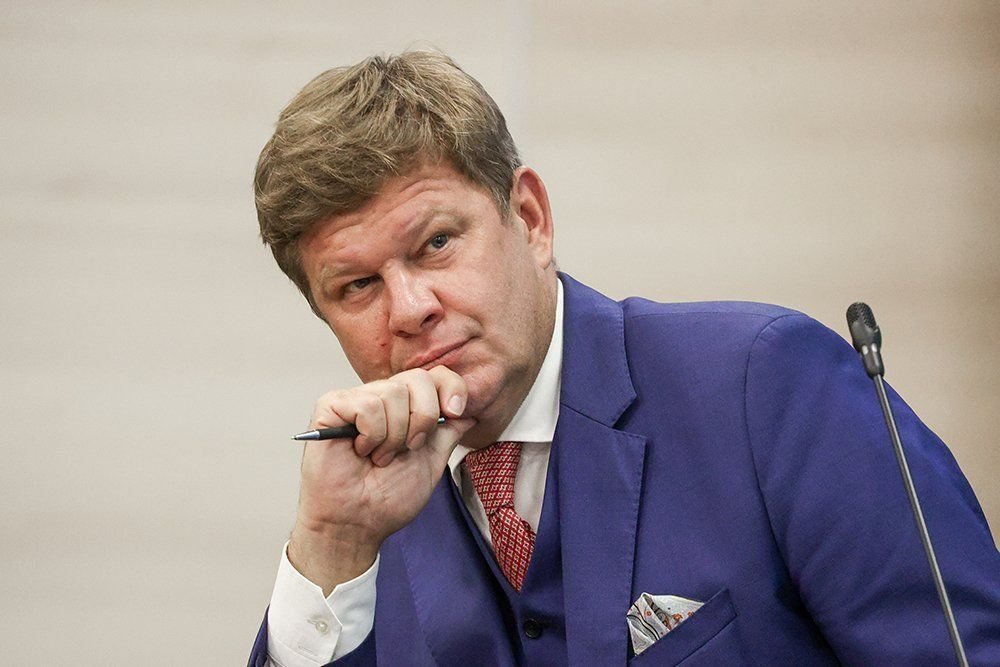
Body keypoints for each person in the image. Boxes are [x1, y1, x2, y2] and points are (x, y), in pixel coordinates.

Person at [248, 51, 999, 666]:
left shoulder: (763, 384)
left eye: (437, 242)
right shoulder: (364, 521)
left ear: (531, 221)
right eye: (357, 286)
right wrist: (331, 546)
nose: (410, 307)